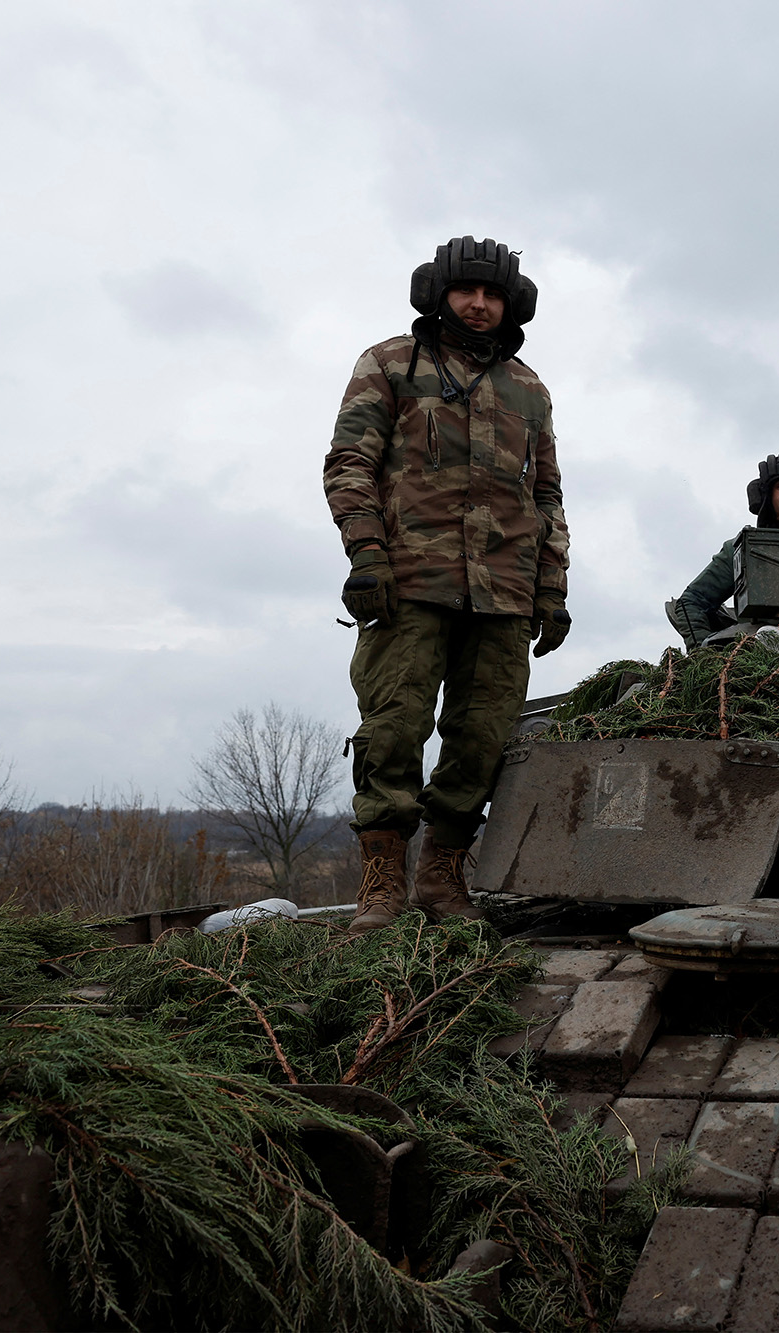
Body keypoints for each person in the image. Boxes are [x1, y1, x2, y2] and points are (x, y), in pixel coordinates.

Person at [323, 236, 572, 933]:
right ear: (438, 291)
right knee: (393, 727)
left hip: (503, 593)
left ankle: (441, 878)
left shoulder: (529, 390)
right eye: (468, 290)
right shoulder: (390, 364)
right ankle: (382, 885)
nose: (480, 303)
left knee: (483, 737)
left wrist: (550, 589)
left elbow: (547, 497)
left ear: (510, 304)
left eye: (493, 294)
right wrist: (366, 553)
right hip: (409, 582)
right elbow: (348, 463)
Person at [668, 453, 779, 650]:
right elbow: (692, 601)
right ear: (766, 495)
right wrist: (705, 656)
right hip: (759, 651)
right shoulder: (742, 549)